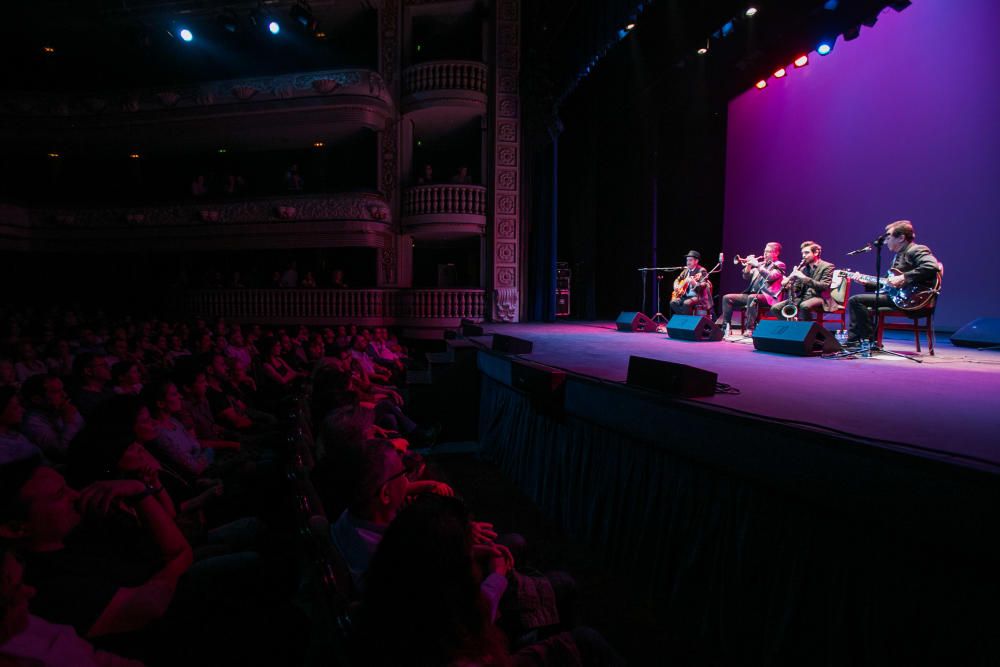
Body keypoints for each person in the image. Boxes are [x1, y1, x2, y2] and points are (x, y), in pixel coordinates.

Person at [846, 220, 941, 345]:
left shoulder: (916, 249)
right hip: (898, 296)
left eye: (889, 237)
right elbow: (887, 283)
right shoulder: (898, 255)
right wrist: (866, 282)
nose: (885, 242)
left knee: (856, 300)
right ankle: (862, 341)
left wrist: (904, 277)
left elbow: (932, 266)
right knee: (859, 300)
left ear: (901, 238)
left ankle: (865, 341)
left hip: (911, 298)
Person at [719, 242, 786, 332]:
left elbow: (770, 277)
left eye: (768, 251)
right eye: (764, 251)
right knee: (727, 298)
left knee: (752, 297)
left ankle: (750, 329)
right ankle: (725, 327)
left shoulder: (779, 264)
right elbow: (746, 276)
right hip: (753, 295)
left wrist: (757, 265)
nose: (765, 254)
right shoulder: (762, 264)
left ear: (776, 253)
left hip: (768, 297)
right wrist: (749, 265)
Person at [770, 241, 833, 322]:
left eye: (806, 253)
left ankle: (808, 331)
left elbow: (824, 286)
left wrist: (803, 277)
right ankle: (793, 327)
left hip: (820, 297)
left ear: (816, 253)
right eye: (802, 253)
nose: (803, 256)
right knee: (775, 308)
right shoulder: (803, 269)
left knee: (804, 306)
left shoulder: (827, 266)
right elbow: (797, 288)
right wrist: (788, 285)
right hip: (803, 298)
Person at [669, 250, 712, 316]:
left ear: (696, 261)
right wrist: (676, 285)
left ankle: (687, 322)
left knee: (686, 303)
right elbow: (677, 279)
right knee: (673, 302)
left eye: (690, 260)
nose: (688, 262)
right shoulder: (686, 270)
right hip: (686, 296)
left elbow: (703, 285)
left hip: (698, 296)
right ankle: (686, 318)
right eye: (687, 260)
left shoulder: (702, 270)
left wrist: (694, 283)